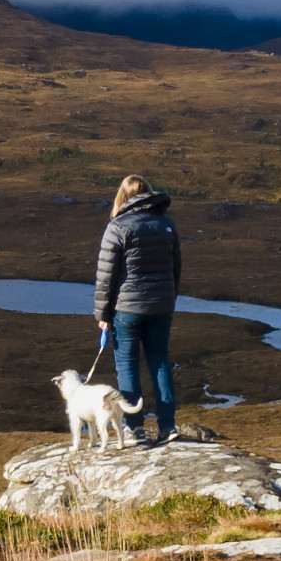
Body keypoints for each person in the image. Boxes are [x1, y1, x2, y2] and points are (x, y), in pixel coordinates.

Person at [93, 174, 181, 445]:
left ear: (123, 196)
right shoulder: (167, 225)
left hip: (126, 309)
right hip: (161, 307)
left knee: (127, 366)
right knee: (160, 363)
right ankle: (168, 426)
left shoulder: (118, 226)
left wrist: (102, 315)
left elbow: (106, 276)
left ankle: (135, 428)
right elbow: (175, 269)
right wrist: (168, 299)